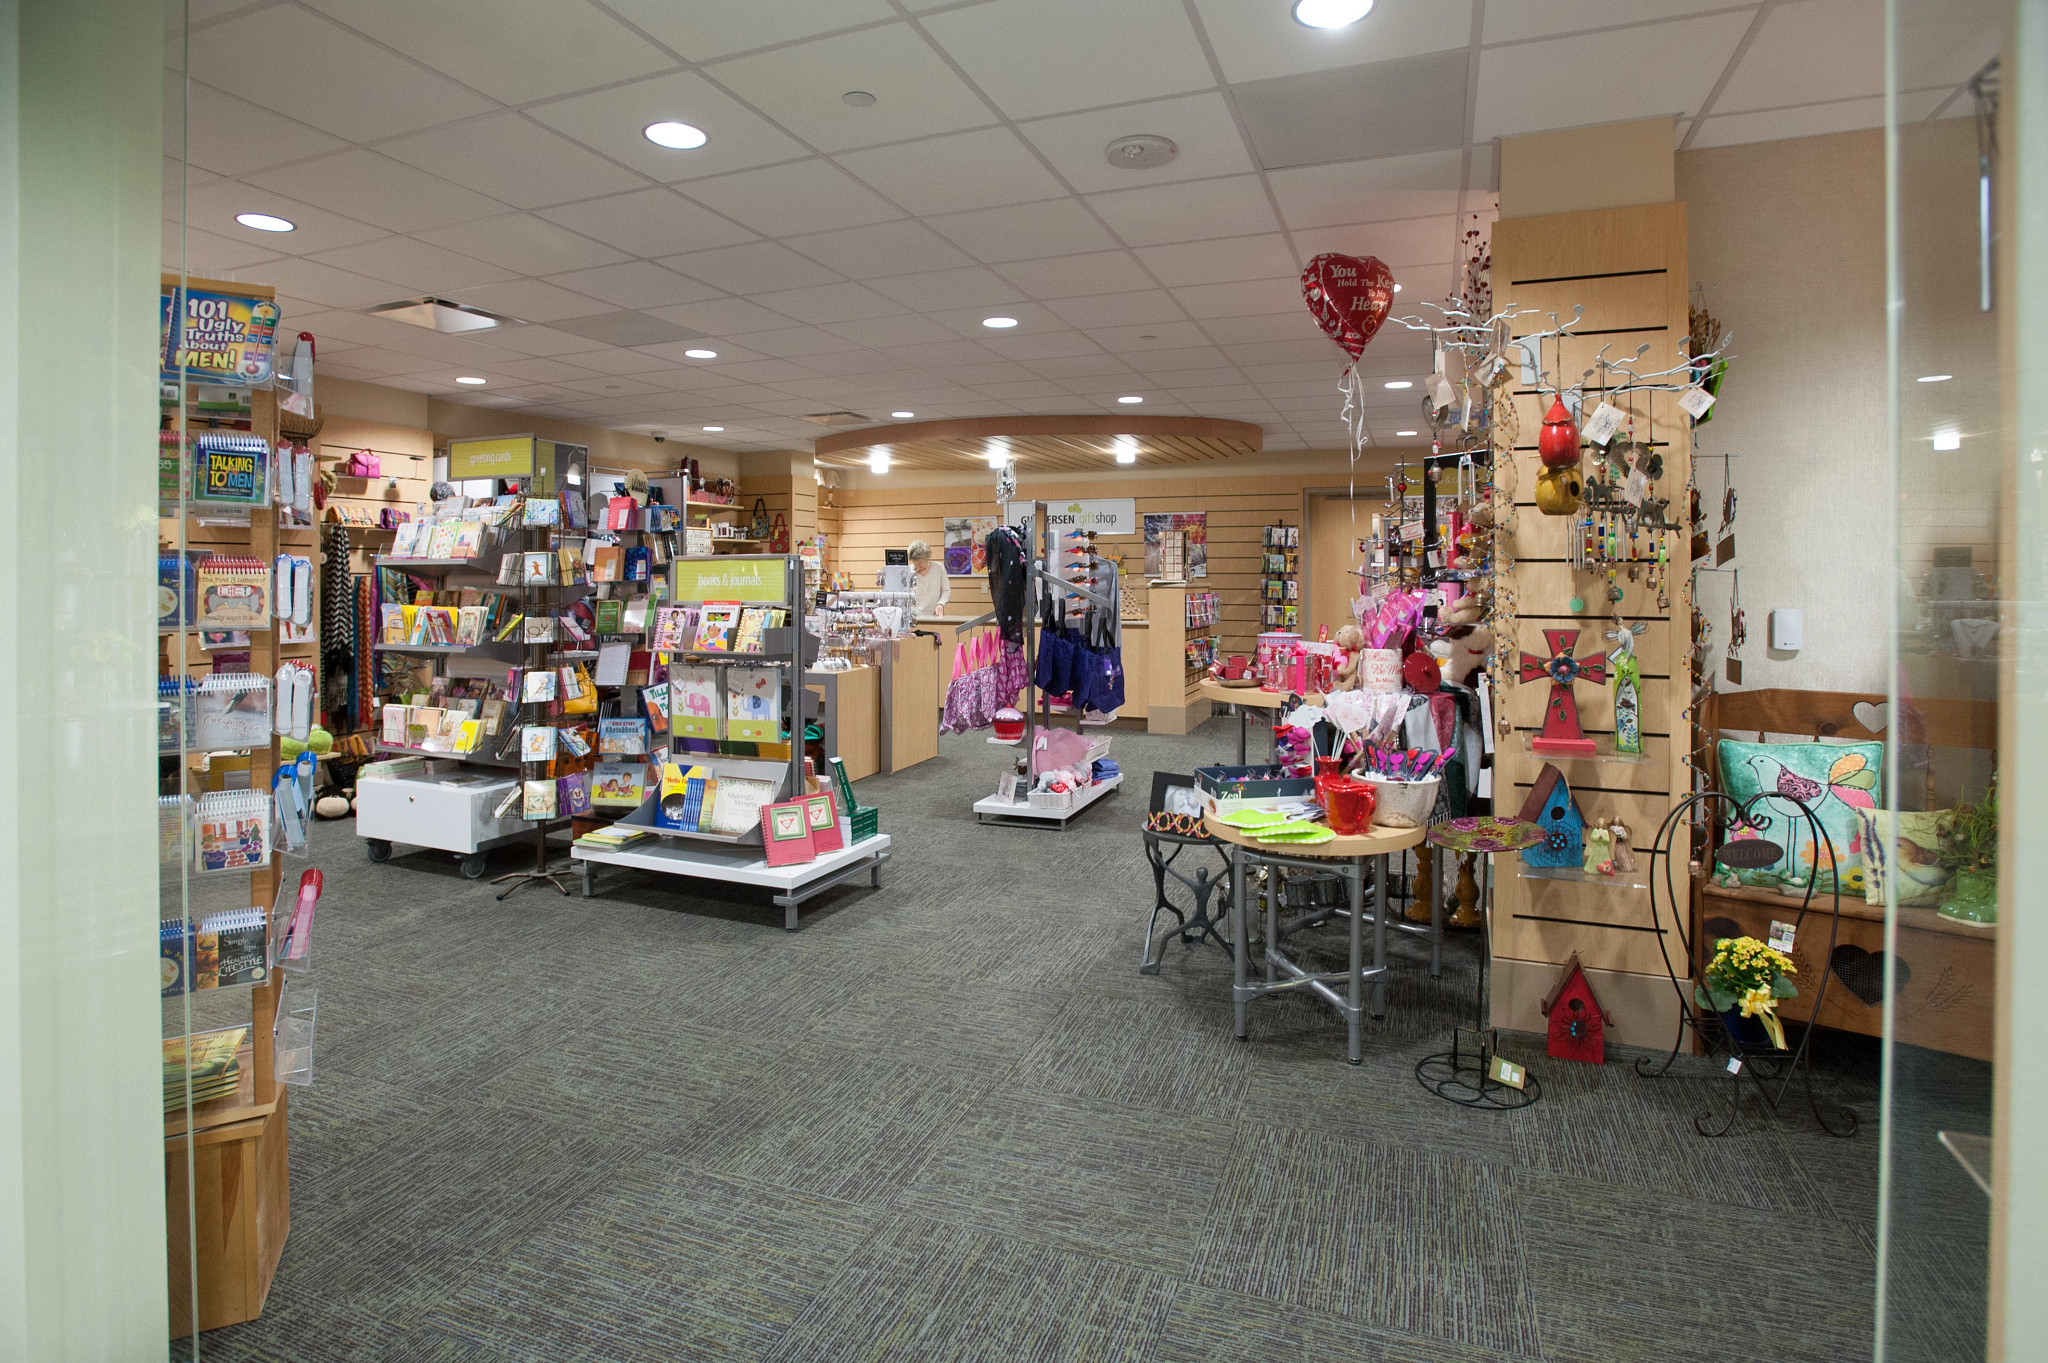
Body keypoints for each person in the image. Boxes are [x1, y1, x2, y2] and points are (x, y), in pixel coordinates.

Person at [906, 539, 950, 620]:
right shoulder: (908, 571)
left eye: (919, 562)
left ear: (927, 558)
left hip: (934, 617)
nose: (916, 565)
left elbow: (946, 591)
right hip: (912, 618)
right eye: (914, 562)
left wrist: (941, 604)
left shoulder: (939, 568)